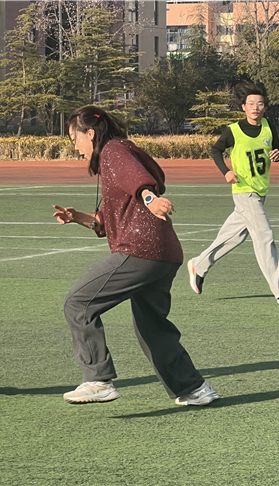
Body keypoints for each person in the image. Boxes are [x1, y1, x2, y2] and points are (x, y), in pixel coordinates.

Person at [53, 106, 218, 407]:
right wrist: (78, 217)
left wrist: (150, 198)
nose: (74, 146)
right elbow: (105, 222)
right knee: (152, 326)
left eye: (74, 138)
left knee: (79, 303)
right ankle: (194, 388)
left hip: (141, 250)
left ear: (91, 133)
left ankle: (98, 380)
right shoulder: (121, 153)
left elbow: (138, 180)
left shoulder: (112, 152)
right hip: (163, 254)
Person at [187, 82, 279, 304]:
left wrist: (278, 155)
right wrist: (226, 172)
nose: (255, 107)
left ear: (264, 107)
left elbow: (277, 151)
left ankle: (198, 265)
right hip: (244, 190)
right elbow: (216, 150)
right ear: (243, 107)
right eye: (251, 103)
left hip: (260, 191)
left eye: (260, 104)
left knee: (234, 235)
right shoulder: (233, 130)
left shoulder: (269, 127)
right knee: (264, 236)